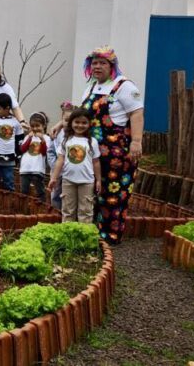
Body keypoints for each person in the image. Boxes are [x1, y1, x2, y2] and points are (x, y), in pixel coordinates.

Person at [79, 46, 144, 243]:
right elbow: (81, 114)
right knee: (95, 189)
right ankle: (94, 231)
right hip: (94, 151)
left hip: (117, 152)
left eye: (102, 63)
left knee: (114, 192)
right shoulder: (91, 86)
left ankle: (110, 235)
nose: (97, 67)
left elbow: (136, 113)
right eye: (94, 63)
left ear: (112, 65)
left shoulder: (124, 86)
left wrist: (136, 141)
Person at [49, 108, 102, 223]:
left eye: (84, 123)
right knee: (68, 211)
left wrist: (98, 180)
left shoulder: (92, 141)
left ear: (89, 124)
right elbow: (60, 160)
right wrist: (54, 178)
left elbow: (96, 162)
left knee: (86, 211)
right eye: (77, 122)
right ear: (71, 122)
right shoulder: (66, 140)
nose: (80, 125)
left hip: (87, 182)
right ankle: (68, 236)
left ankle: (84, 237)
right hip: (68, 181)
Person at [0, 93, 24, 191]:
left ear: (7, 108)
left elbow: (20, 140)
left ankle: (9, 203)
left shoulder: (15, 122)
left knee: (9, 182)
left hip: (9, 157)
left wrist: (18, 156)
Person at [19, 112, 52, 200]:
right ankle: (24, 209)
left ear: (44, 126)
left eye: (37, 126)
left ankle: (41, 208)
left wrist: (42, 140)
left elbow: (44, 152)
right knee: (23, 191)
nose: (35, 128)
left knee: (40, 191)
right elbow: (22, 149)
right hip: (25, 169)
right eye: (32, 126)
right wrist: (29, 138)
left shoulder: (47, 138)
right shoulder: (28, 137)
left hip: (37, 169)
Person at [49, 102, 74, 210]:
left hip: (71, 172)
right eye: (66, 120)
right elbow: (50, 151)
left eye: (71, 121)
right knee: (56, 195)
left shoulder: (77, 134)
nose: (68, 123)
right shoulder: (57, 134)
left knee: (69, 196)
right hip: (57, 172)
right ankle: (56, 214)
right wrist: (55, 167)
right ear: (61, 119)